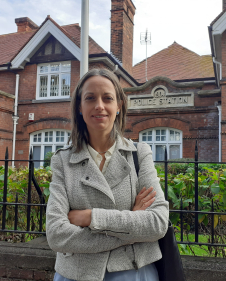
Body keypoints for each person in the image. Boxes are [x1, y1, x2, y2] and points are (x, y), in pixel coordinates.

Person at [46, 68, 169, 281]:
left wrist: (90, 217)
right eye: (90, 98)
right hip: (75, 275)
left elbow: (157, 223)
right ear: (79, 107)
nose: (99, 105)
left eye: (108, 98)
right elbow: (57, 234)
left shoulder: (140, 154)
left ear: (119, 106)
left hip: (134, 273)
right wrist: (132, 228)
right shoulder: (62, 161)